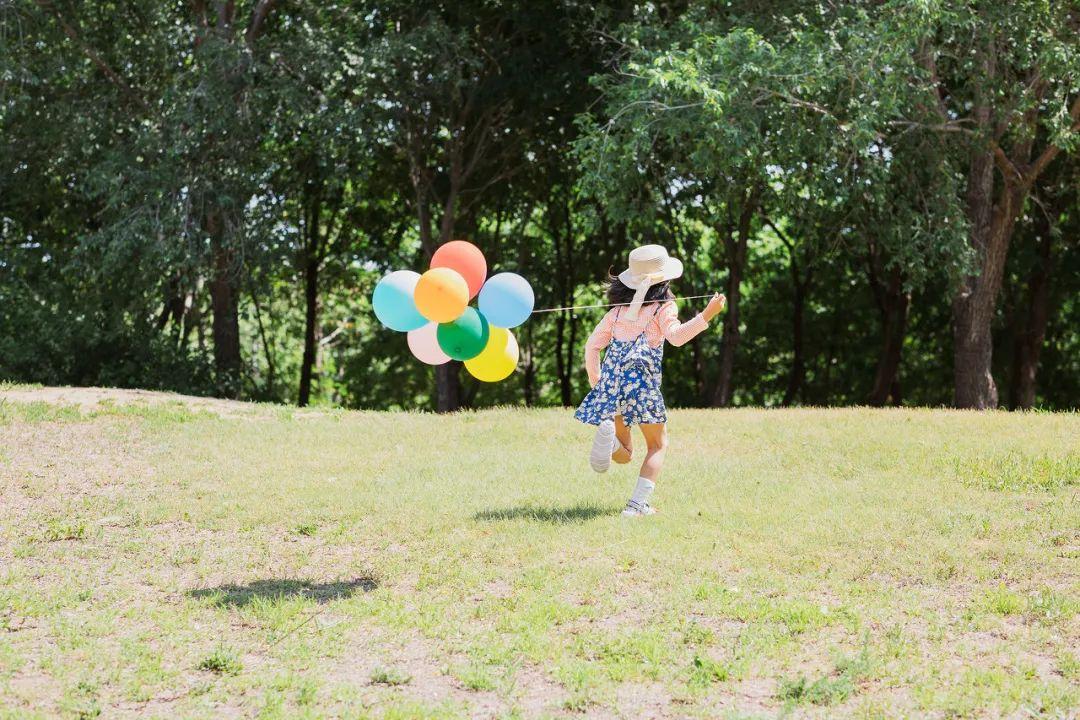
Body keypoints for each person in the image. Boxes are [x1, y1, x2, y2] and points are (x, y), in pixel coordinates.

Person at [574, 245, 725, 517]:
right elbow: (676, 337)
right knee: (657, 445)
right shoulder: (663, 307)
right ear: (664, 279)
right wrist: (707, 315)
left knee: (627, 452)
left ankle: (613, 445)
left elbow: (592, 346)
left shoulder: (617, 312)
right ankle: (636, 507)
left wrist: (598, 384)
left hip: (613, 386)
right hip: (641, 385)